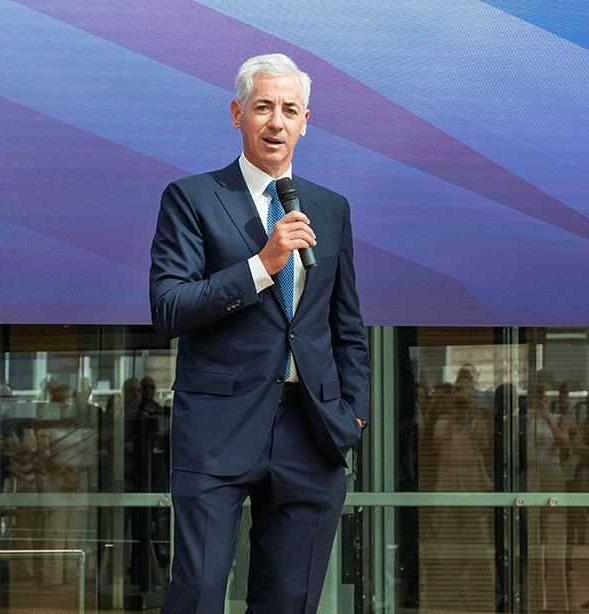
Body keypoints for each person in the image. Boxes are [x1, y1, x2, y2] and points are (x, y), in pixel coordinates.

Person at [150, 53, 370, 613]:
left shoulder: (331, 208)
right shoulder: (192, 198)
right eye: (263, 107)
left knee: (289, 600)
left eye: (290, 110)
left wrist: (354, 412)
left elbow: (345, 324)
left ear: (305, 122)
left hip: (311, 429)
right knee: (199, 594)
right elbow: (169, 308)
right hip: (218, 427)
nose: (276, 122)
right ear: (237, 114)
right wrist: (262, 264)